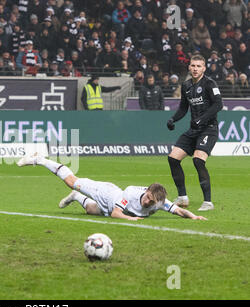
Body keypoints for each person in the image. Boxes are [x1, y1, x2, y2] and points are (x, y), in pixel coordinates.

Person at [16, 153, 207, 221]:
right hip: (106, 193)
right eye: (148, 197)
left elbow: (178, 211)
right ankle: (39, 160)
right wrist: (131, 220)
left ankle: (76, 197)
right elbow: (117, 214)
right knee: (71, 181)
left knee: (91, 210)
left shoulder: (159, 202)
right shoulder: (131, 193)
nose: (148, 201)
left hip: (110, 207)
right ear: (146, 191)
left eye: (151, 200)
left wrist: (194, 216)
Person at [166, 54, 223, 212]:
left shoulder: (210, 84)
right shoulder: (186, 86)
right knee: (173, 158)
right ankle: (182, 197)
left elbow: (219, 104)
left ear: (204, 68)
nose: (195, 69)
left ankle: (208, 202)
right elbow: (184, 108)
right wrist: (173, 119)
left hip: (209, 129)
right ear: (189, 67)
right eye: (193, 66)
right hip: (194, 130)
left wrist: (202, 119)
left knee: (198, 160)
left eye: (199, 66)